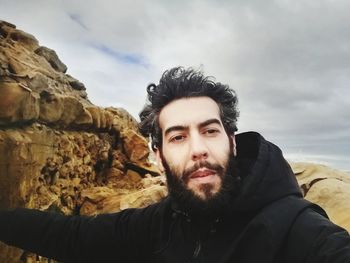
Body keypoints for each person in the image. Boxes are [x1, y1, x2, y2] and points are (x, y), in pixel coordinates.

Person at [1, 67, 350, 263]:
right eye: (179, 136)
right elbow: (72, 236)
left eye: (209, 131)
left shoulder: (297, 229)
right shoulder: (162, 223)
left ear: (231, 141)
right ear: (158, 156)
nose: (198, 149)